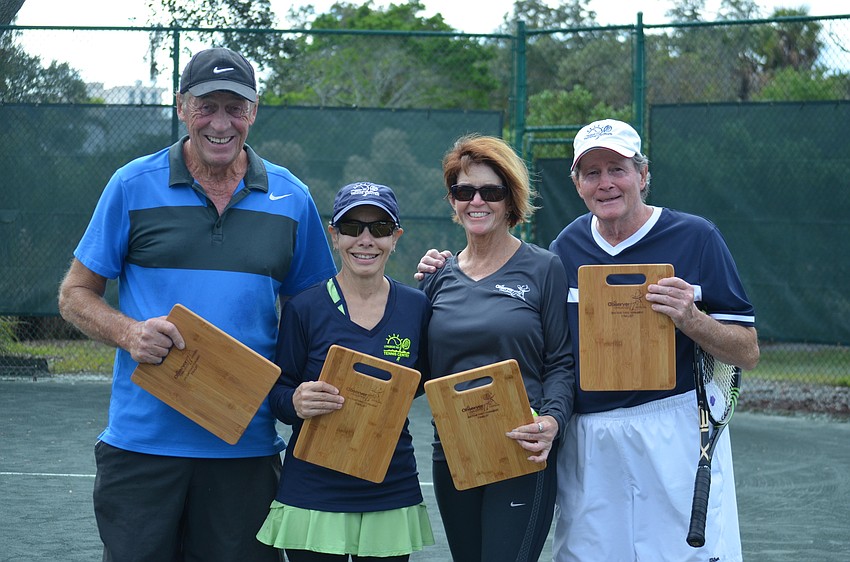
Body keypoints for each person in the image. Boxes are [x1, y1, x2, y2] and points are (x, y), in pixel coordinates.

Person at [418, 120, 759, 561]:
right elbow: (540, 343)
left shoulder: (697, 238)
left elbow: (747, 351)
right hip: (588, 436)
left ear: (642, 174)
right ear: (577, 183)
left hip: (672, 428)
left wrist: (692, 319)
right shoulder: (566, 249)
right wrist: (446, 268)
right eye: (591, 172)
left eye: (616, 169)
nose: (606, 183)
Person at [57, 47, 336, 562]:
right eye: (208, 106)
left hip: (245, 448)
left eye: (236, 107)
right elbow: (75, 295)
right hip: (142, 447)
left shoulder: (292, 198)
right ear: (182, 106)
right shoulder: (131, 185)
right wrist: (129, 333)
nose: (221, 123)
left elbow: (313, 313)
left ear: (253, 113)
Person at [416, 134, 575, 562]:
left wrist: (553, 422)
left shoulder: (544, 267)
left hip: (522, 448)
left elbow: (560, 362)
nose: (477, 201)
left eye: (491, 191)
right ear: (453, 200)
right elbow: (418, 368)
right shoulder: (437, 277)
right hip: (453, 450)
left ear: (510, 200)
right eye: (464, 191)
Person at [256, 181, 434, 561]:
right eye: (352, 228)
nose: (365, 240)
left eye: (379, 229)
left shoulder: (416, 307)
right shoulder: (304, 309)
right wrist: (297, 400)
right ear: (335, 236)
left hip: (389, 485)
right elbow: (278, 394)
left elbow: (419, 383)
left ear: (396, 237)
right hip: (313, 490)